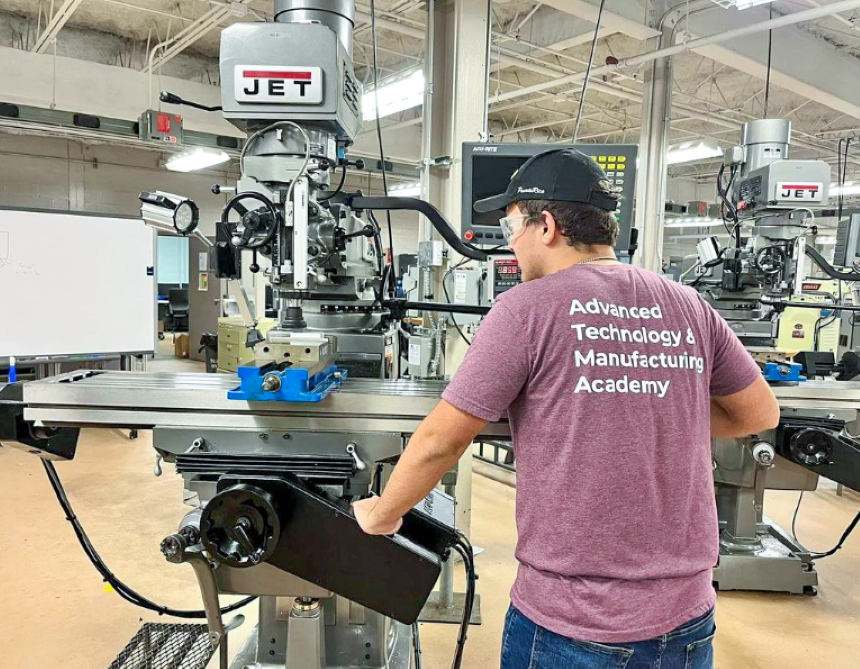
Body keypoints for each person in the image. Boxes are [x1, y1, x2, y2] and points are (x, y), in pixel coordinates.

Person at [353, 148, 780, 669]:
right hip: (689, 618)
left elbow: (443, 439)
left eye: (512, 227)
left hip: (575, 624)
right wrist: (652, 407)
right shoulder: (686, 302)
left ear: (547, 224)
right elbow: (759, 413)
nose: (510, 245)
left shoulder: (526, 309)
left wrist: (381, 513)